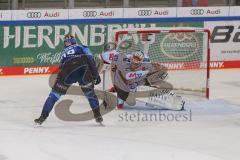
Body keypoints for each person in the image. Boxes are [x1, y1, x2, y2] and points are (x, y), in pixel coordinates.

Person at [34, 34, 103, 125]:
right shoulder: (82, 47)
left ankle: (42, 117)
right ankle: (98, 116)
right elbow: (90, 60)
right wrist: (95, 75)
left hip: (67, 72)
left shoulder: (63, 52)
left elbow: (62, 67)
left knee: (54, 95)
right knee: (90, 94)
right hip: (83, 69)